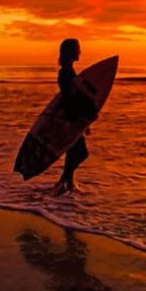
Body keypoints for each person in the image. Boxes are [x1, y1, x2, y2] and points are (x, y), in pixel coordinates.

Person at [51, 38, 98, 196]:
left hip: (71, 118)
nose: (80, 51)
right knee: (81, 153)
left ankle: (67, 184)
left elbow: (75, 97)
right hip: (71, 119)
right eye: (78, 48)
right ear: (71, 52)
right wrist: (81, 120)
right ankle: (63, 181)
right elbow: (70, 99)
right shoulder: (66, 73)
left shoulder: (68, 72)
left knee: (73, 152)